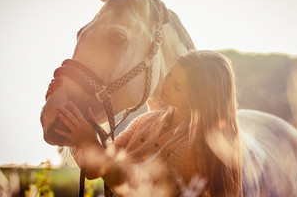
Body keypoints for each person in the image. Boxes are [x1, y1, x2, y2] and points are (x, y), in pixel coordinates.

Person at [54, 50, 243, 197]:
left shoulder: (195, 147)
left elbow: (136, 190)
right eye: (169, 75)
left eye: (177, 86)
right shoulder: (145, 121)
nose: (166, 84)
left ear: (198, 99)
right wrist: (74, 127)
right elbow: (94, 169)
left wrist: (90, 142)